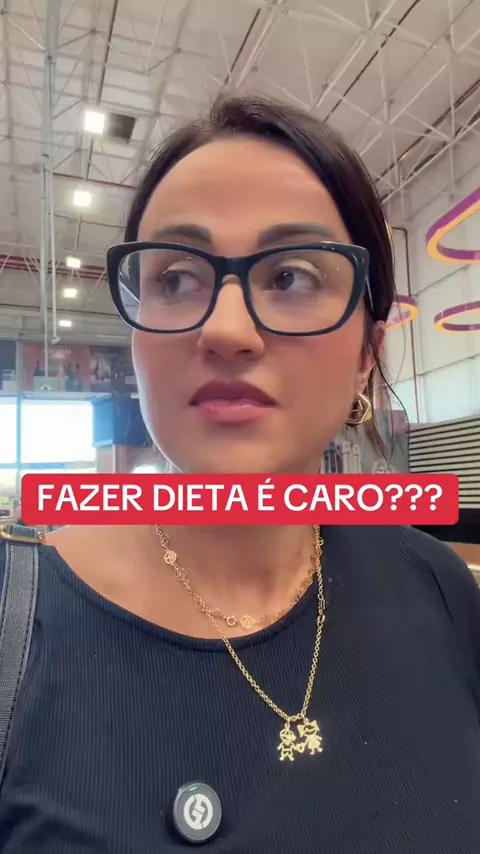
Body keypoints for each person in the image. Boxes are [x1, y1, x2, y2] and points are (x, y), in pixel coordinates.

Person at [0, 94, 479, 853]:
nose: (226, 330)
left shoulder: (442, 595)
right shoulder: (17, 627)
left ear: (366, 353)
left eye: (291, 276)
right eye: (176, 279)